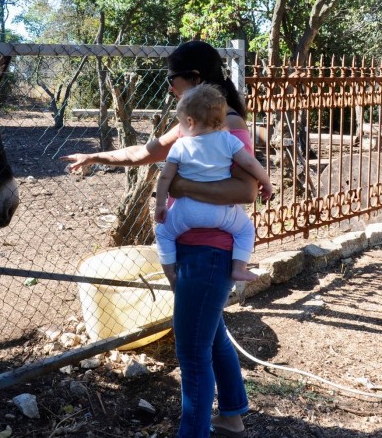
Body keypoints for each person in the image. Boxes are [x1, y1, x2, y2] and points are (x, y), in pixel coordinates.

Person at [62, 40, 254, 438]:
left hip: (208, 251)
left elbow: (246, 191)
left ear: (196, 79)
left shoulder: (229, 126)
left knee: (191, 352)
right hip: (196, 249)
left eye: (172, 79)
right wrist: (96, 157)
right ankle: (232, 414)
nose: (169, 88)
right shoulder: (196, 123)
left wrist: (177, 183)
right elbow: (143, 153)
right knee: (211, 331)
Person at [154, 84, 273, 283]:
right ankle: (239, 268)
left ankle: (171, 274)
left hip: (186, 211)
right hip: (221, 212)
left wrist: (160, 206)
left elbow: (165, 177)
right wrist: (267, 183)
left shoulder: (180, 145)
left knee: (163, 234)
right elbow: (251, 163)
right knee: (245, 230)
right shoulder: (228, 140)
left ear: (190, 122)